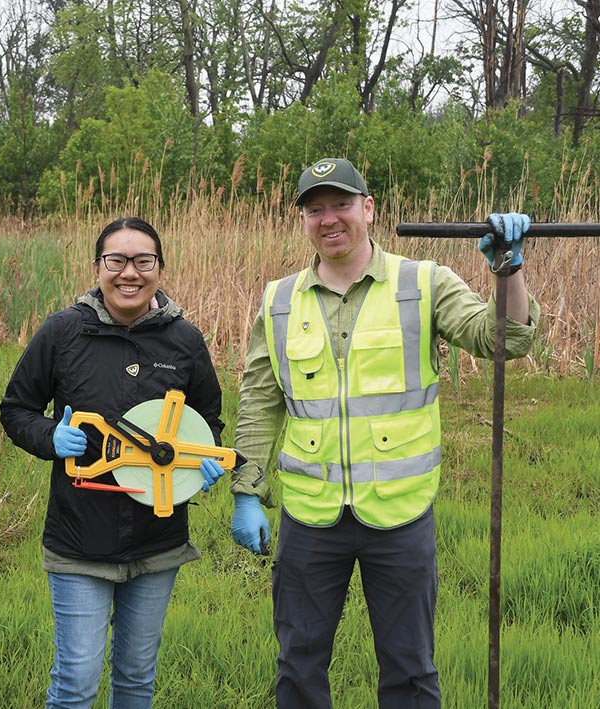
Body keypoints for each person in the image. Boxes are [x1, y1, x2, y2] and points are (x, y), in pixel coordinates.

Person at [229, 157, 539, 708]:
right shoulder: (279, 300)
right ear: (303, 221)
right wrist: (246, 491)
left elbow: (504, 340)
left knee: (410, 669)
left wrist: (509, 270)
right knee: (297, 667)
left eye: (341, 204)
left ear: (368, 209)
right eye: (315, 209)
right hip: (309, 517)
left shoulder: (424, 282)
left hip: (400, 515)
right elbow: (259, 398)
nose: (329, 219)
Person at [0, 216, 228, 708]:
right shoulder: (62, 332)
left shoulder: (184, 340)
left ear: (159, 269)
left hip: (158, 540)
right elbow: (16, 410)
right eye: (117, 261)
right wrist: (49, 437)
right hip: (79, 539)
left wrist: (203, 461)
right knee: (77, 682)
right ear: (98, 267)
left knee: (136, 678)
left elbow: (209, 416)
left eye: (143, 261)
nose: (130, 273)